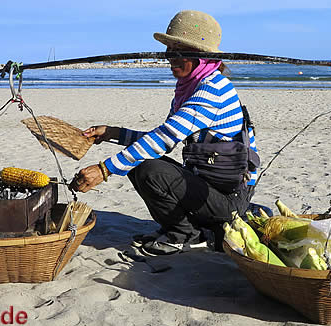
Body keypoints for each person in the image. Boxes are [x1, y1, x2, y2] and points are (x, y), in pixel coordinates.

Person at [70, 10, 259, 256]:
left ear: (202, 57)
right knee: (138, 161)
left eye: (180, 52)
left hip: (229, 198)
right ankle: (181, 228)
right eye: (169, 51)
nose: (171, 58)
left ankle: (186, 235)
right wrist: (112, 133)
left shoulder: (212, 90)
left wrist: (104, 170)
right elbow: (163, 140)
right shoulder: (189, 88)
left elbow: (164, 138)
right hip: (206, 186)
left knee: (148, 168)